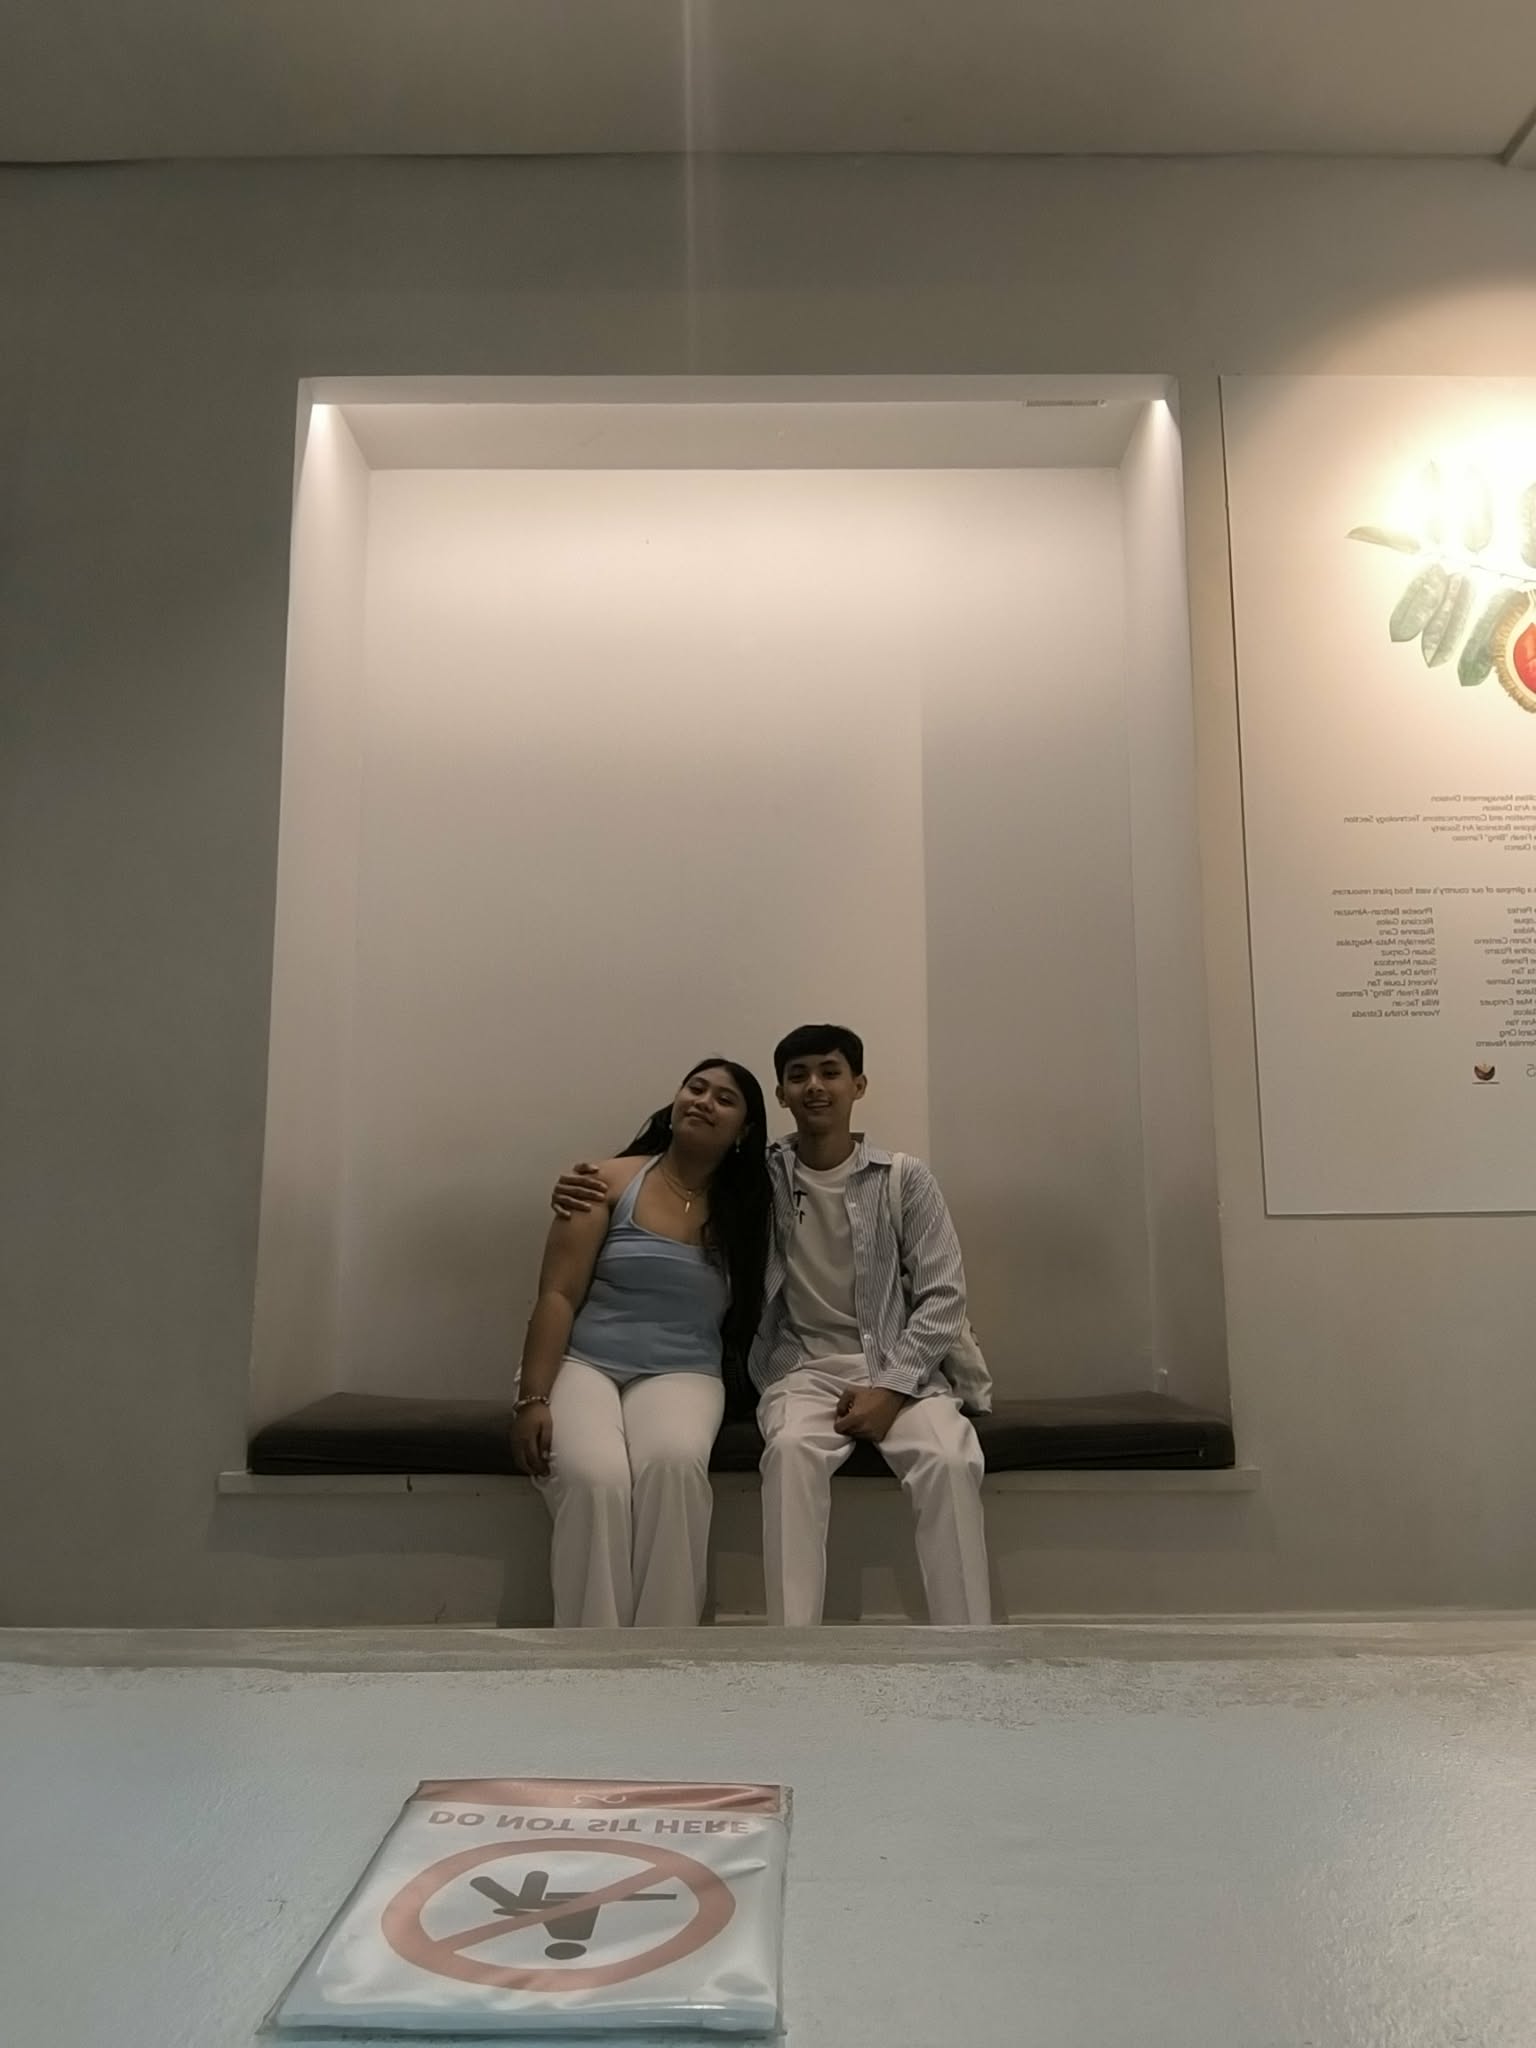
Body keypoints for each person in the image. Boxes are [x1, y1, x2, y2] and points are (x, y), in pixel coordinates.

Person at [554, 1025, 991, 1627]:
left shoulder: (903, 1178)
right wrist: (588, 1179)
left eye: (830, 1072)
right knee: (787, 1456)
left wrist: (891, 1389)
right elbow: (681, 1164)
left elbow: (944, 1297)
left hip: (898, 1369)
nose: (815, 1086)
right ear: (781, 1094)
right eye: (798, 1075)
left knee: (950, 1462)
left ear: (859, 1085)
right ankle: (792, 1651)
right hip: (799, 1371)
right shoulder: (761, 1175)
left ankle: (967, 1644)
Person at [514, 1057, 770, 1628]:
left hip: (684, 1370)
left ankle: (663, 1651)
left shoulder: (753, 1205)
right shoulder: (604, 1181)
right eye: (696, 1088)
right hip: (585, 1362)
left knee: (673, 1468)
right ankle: (593, 1655)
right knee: (595, 1480)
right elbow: (557, 1295)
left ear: (744, 1131)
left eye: (724, 1099)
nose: (704, 1101)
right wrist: (532, 1398)